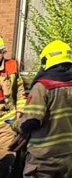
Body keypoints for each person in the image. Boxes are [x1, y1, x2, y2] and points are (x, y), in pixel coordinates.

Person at [13, 40, 72, 178]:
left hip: (43, 157)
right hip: (68, 154)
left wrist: (16, 125)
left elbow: (31, 121)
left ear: (47, 60)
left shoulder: (42, 87)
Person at [0, 38, 25, 178]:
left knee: (7, 161)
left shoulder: (11, 67)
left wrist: (20, 113)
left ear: (2, 52)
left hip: (6, 122)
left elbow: (20, 92)